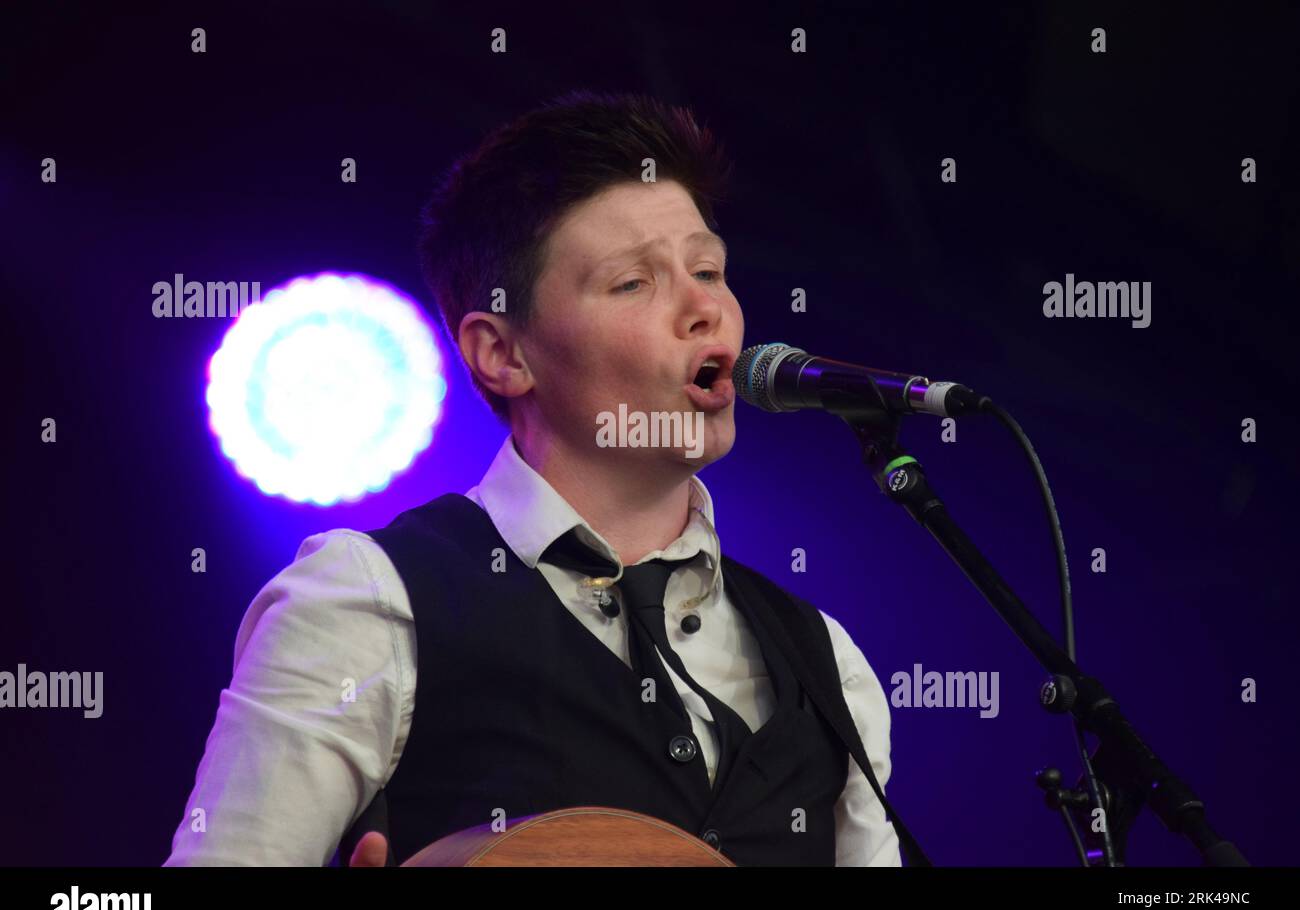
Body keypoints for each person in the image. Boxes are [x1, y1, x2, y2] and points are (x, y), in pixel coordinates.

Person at [165, 90, 914, 867]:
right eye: (633, 283)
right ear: (503, 353)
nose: (705, 308)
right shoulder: (368, 599)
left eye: (707, 268)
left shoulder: (825, 659)